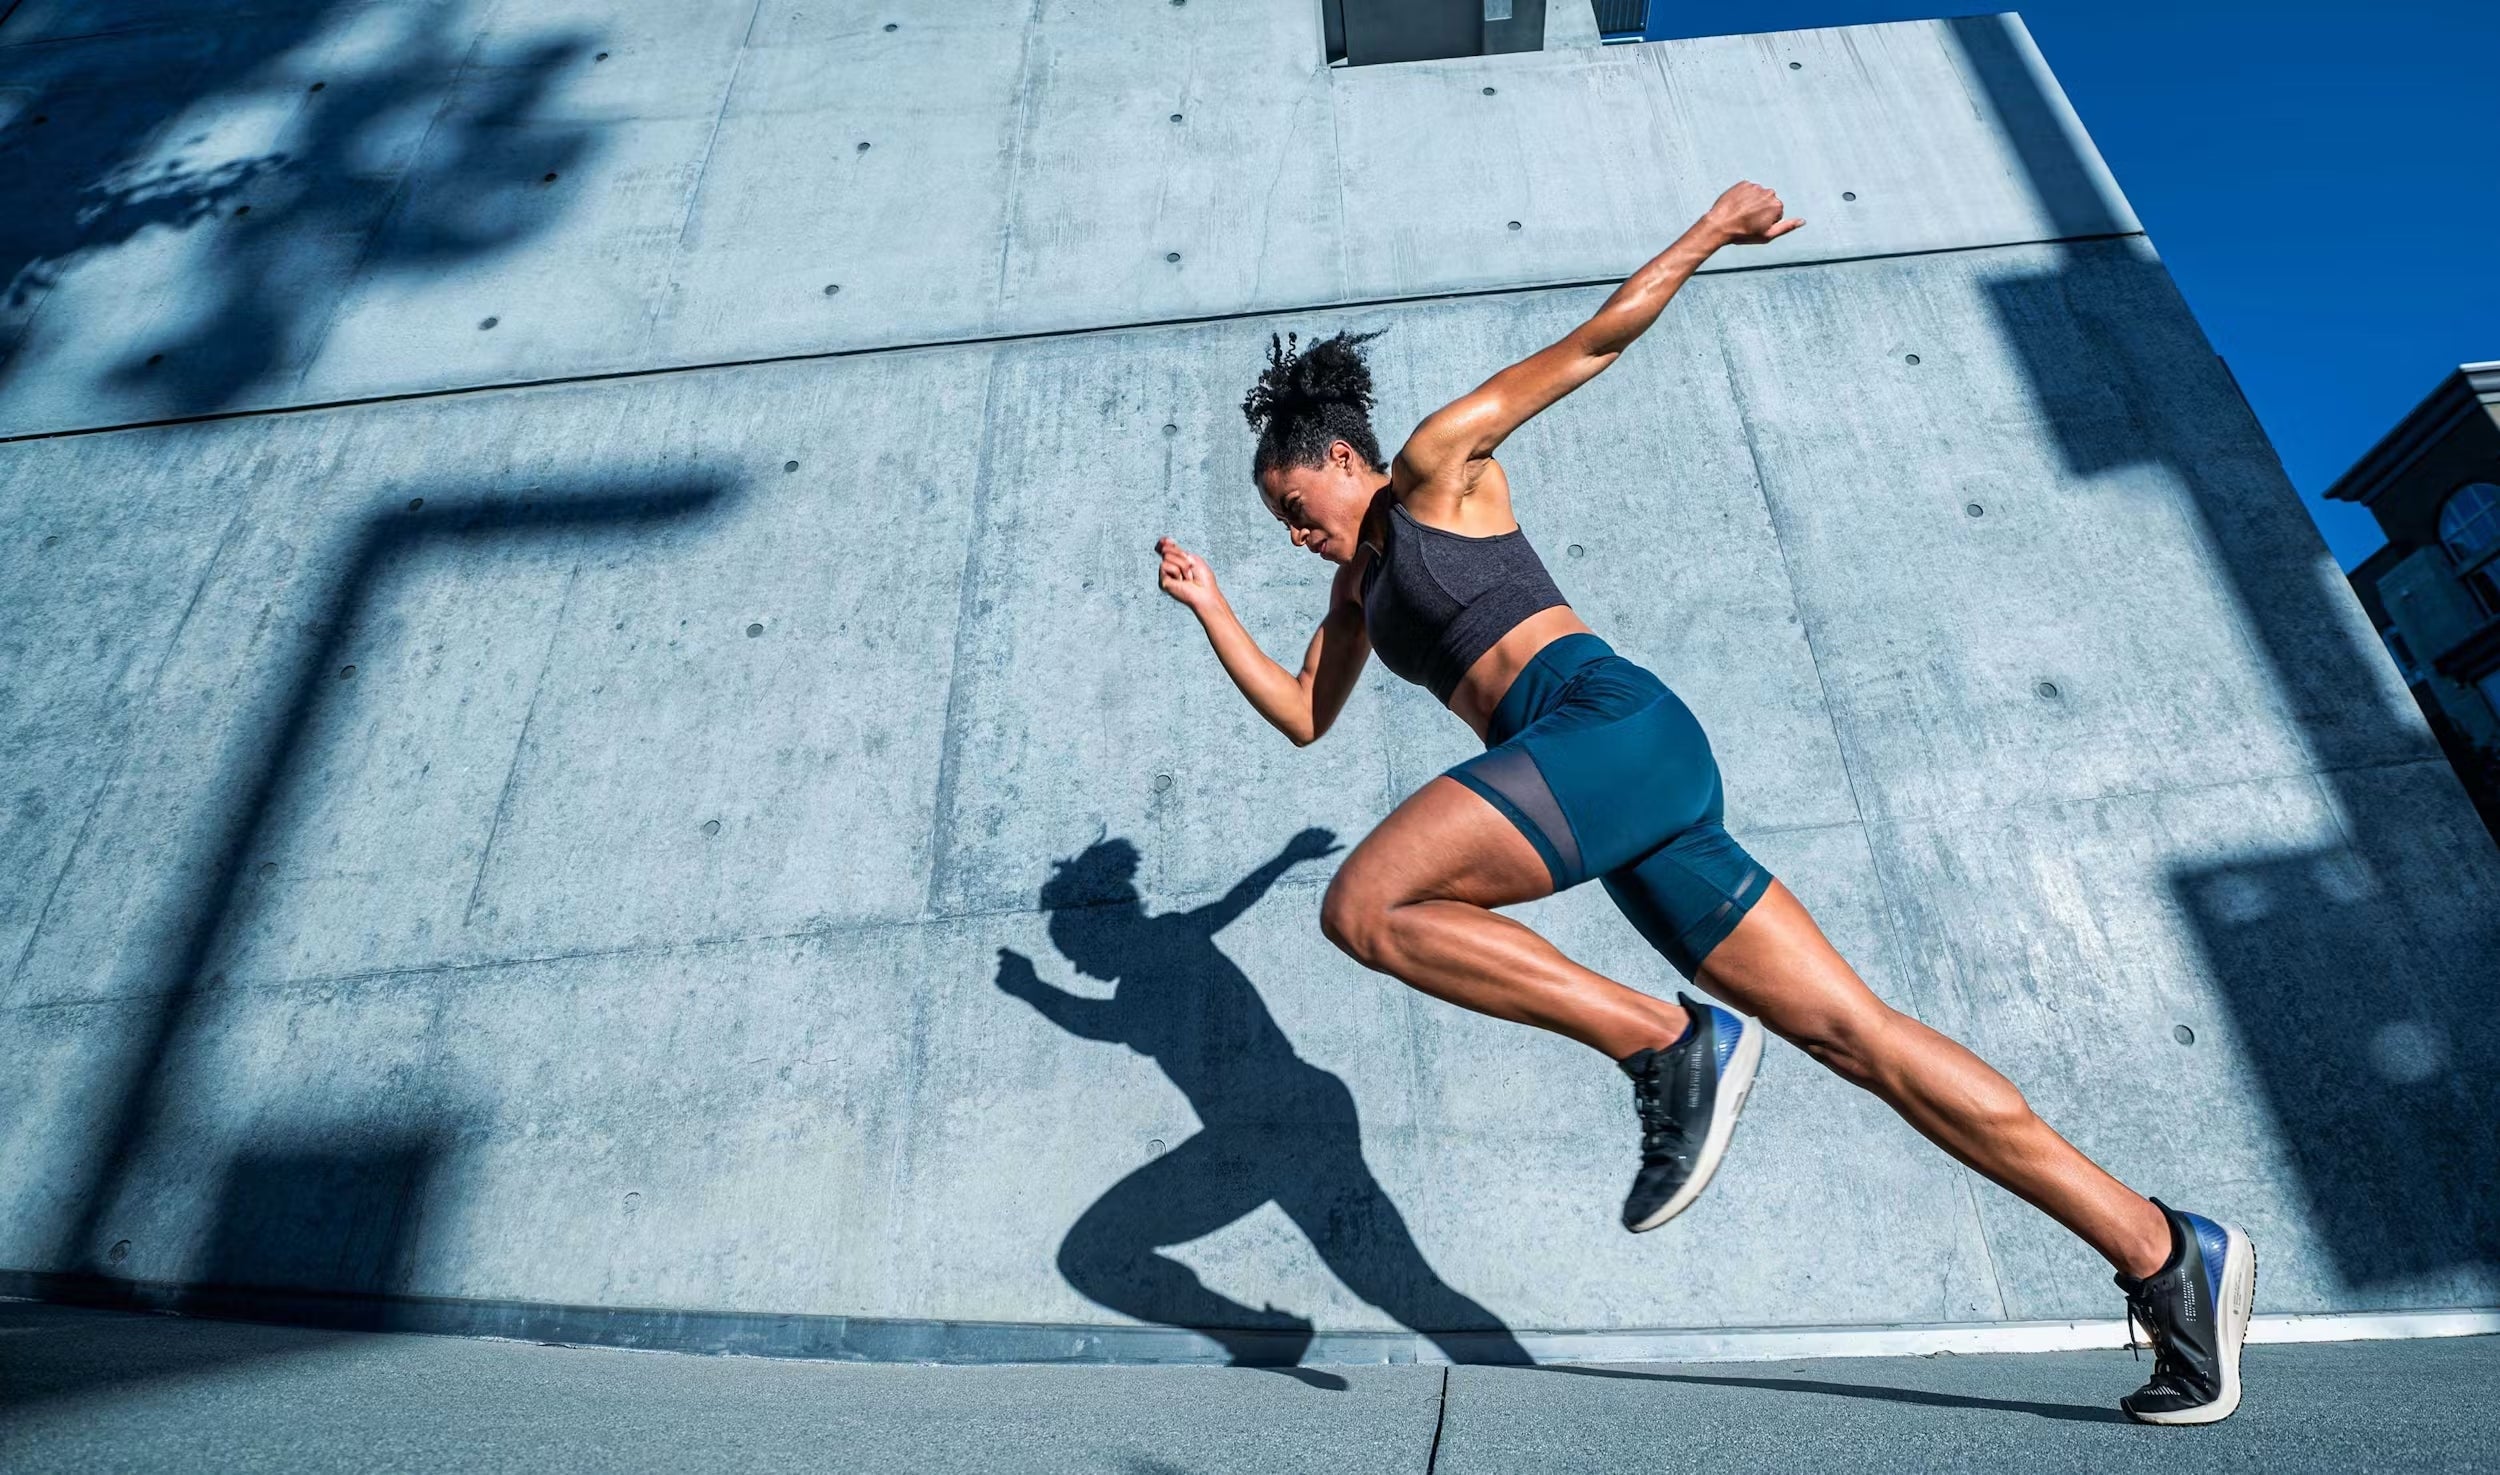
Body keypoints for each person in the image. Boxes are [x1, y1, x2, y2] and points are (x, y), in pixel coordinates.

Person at [1149, 181, 2255, 1425]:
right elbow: (1306, 711)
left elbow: (1594, 344)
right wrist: (1211, 607)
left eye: (1294, 510)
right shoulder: (1353, 596)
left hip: (1605, 725)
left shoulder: (1435, 470)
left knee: (1367, 905)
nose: (1294, 535)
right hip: (1612, 794)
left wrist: (1712, 232)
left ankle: (1666, 1042)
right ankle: (2165, 1252)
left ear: (1342, 460)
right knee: (1858, 1036)